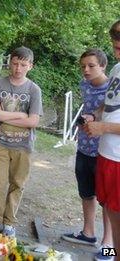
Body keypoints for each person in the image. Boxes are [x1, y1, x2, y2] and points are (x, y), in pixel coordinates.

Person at [62, 49, 113, 261]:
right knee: (86, 193)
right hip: (84, 148)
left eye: (91, 66)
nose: (86, 70)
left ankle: (109, 246)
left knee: (109, 202)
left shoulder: (113, 88)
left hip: (107, 152)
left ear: (103, 66)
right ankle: (88, 233)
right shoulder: (84, 84)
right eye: (83, 66)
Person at [0, 47, 43, 237]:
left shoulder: (34, 90)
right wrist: (20, 114)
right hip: (1, 143)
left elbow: (33, 121)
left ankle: (9, 222)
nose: (18, 68)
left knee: (17, 184)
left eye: (23, 65)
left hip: (24, 146)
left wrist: (3, 114)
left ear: (30, 66)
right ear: (9, 62)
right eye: (15, 63)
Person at [84, 20, 120, 261]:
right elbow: (111, 103)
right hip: (104, 151)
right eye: (115, 44)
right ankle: (93, 238)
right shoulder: (118, 69)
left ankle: (110, 252)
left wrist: (102, 126)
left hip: (117, 157)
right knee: (106, 206)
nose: (116, 46)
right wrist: (95, 115)